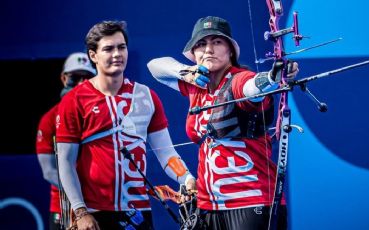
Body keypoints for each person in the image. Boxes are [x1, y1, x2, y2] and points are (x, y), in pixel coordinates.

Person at [147, 16, 298, 230]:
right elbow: (154, 66)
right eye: (201, 44)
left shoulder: (239, 79)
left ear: (230, 50)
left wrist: (273, 77)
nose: (208, 49)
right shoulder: (196, 85)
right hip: (209, 207)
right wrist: (186, 72)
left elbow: (252, 88)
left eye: (217, 42)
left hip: (251, 202)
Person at [55, 20, 196, 230]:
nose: (117, 54)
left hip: (137, 213)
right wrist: (80, 211)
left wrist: (186, 178)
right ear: (93, 55)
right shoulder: (74, 100)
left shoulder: (147, 97)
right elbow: (65, 162)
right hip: (92, 215)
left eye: (121, 47)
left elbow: (167, 154)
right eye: (108, 49)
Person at [36, 52, 96, 230]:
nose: (80, 83)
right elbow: (48, 171)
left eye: (87, 78)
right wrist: (79, 196)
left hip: (102, 203)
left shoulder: (104, 115)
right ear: (63, 78)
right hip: (64, 208)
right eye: (75, 77)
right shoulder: (49, 119)